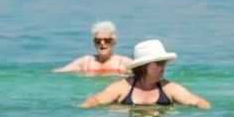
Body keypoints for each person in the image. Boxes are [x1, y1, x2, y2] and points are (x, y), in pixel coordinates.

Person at [80, 39, 210, 108]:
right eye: (159, 63)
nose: (163, 67)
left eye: (163, 62)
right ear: (144, 66)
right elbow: (96, 100)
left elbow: (198, 102)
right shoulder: (123, 87)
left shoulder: (169, 88)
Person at [54, 21, 132, 75]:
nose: (102, 43)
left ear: (113, 42)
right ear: (94, 43)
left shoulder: (124, 63)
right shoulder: (85, 62)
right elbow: (62, 71)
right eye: (98, 41)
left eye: (106, 40)